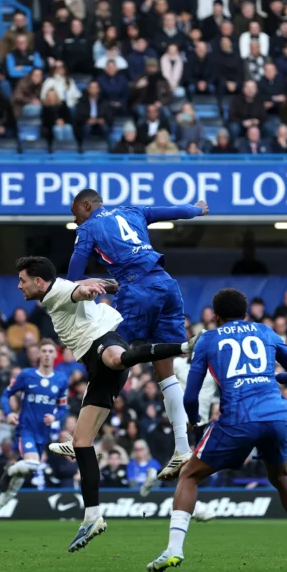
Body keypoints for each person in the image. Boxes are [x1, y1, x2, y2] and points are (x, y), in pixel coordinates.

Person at [16, 256, 199, 552]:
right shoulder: (58, 292)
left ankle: (183, 346)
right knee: (81, 442)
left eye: (22, 280)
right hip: (96, 365)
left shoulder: (60, 291)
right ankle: (92, 517)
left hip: (106, 342)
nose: (19, 285)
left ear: (39, 281)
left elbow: (75, 292)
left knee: (115, 359)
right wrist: (110, 286)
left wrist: (88, 290)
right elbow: (83, 289)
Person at [146, 288, 287, 572]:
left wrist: (195, 422)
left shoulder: (208, 340)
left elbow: (191, 397)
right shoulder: (266, 331)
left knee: (189, 474)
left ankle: (174, 549)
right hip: (276, 414)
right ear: (246, 312)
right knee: (280, 476)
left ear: (215, 317)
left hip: (239, 416)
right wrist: (270, 377)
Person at [66, 189, 209, 487]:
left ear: (87, 205)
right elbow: (175, 210)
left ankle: (82, 436)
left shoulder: (88, 227)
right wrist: (196, 209)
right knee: (164, 372)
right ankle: (183, 449)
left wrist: (97, 286)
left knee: (111, 356)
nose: (74, 218)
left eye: (75, 212)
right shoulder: (133, 210)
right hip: (167, 286)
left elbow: (73, 277)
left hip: (137, 289)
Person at [0, 338, 69, 529]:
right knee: (33, 464)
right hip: (25, 430)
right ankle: (9, 470)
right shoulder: (26, 375)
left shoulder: (61, 380)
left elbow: (63, 409)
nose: (47, 354)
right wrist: (8, 414)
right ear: (38, 354)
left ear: (55, 355)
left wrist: (55, 417)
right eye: (44, 351)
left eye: (51, 351)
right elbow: (6, 395)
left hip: (43, 434)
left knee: (18, 482)